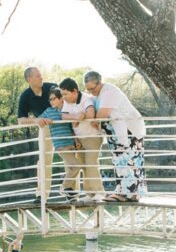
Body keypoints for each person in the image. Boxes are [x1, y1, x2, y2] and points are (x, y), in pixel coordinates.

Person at [84, 71, 147, 202]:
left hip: (129, 130)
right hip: (119, 132)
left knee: (129, 160)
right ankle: (127, 193)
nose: (91, 92)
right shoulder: (99, 95)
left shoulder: (109, 91)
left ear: (99, 82)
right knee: (122, 159)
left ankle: (127, 193)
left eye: (92, 88)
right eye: (88, 89)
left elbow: (102, 114)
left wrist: (95, 119)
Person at [60, 77, 104, 201]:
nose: (63, 97)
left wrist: (82, 116)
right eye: (62, 94)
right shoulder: (67, 102)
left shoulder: (85, 99)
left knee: (91, 164)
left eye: (65, 94)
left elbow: (91, 114)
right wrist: (76, 117)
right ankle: (90, 194)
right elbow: (63, 116)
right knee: (84, 166)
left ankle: (99, 192)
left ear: (74, 91)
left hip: (92, 137)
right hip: (79, 139)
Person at [38, 87, 84, 201]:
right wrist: (44, 121)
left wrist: (76, 140)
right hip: (60, 145)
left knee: (72, 168)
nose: (51, 101)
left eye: (54, 99)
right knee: (77, 166)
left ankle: (69, 191)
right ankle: (64, 187)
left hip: (71, 144)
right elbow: (38, 120)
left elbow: (72, 127)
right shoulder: (49, 111)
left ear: (61, 99)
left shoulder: (67, 110)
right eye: (50, 99)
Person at [17, 66, 56, 199]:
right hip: (45, 127)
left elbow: (67, 103)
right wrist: (36, 120)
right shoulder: (25, 96)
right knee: (44, 160)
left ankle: (73, 193)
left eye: (41, 75)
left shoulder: (52, 87)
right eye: (38, 75)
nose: (42, 77)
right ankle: (42, 195)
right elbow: (21, 120)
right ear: (29, 79)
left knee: (73, 156)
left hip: (63, 123)